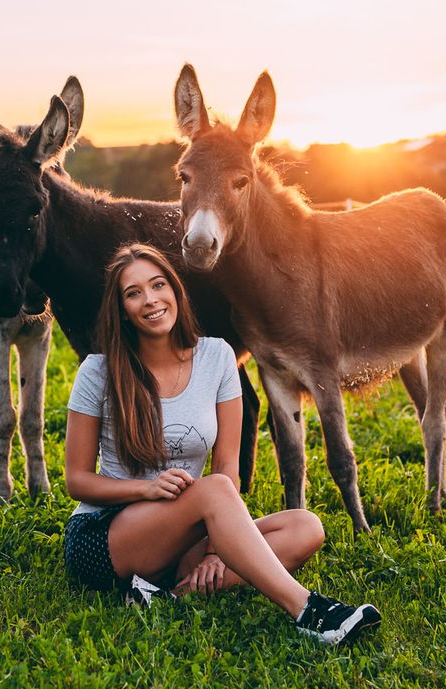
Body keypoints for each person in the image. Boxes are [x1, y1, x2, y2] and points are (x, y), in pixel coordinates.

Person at [63, 242, 381, 647]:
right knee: (213, 491)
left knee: (305, 526)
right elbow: (77, 480)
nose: (150, 300)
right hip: (106, 538)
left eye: (158, 285)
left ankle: (165, 598)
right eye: (134, 293)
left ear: (176, 290)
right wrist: (144, 488)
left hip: (186, 535)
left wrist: (216, 551)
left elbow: (227, 468)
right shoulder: (99, 371)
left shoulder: (217, 358)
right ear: (121, 309)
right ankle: (311, 612)